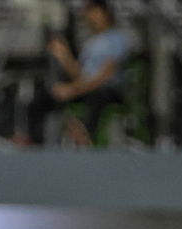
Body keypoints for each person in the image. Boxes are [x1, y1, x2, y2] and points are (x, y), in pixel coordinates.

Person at [20, 0, 133, 147]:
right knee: (44, 97)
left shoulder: (118, 39)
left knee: (98, 97)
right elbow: (80, 75)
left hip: (107, 90)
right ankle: (35, 140)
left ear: (105, 14)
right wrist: (64, 56)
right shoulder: (90, 43)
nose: (91, 18)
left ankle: (86, 136)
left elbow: (105, 76)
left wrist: (72, 90)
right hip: (84, 88)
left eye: (94, 13)